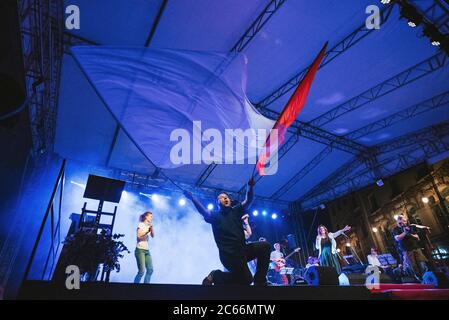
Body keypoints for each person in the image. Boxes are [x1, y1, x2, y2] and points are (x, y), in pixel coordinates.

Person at [184, 178, 271, 285]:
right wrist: (192, 198)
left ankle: (260, 280)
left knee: (265, 246)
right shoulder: (215, 216)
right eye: (222, 198)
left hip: (243, 251)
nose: (225, 199)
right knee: (247, 280)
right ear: (217, 202)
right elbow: (204, 212)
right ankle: (216, 275)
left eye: (227, 198)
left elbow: (248, 200)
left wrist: (250, 187)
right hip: (230, 256)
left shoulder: (236, 210)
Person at [392, 215, 430, 279]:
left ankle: (425, 279)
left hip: (416, 248)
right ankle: (419, 280)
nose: (403, 223)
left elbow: (417, 238)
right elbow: (397, 238)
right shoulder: (396, 229)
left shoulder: (410, 226)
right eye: (401, 222)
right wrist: (405, 232)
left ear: (406, 221)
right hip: (407, 250)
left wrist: (410, 234)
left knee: (422, 264)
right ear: (398, 222)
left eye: (404, 221)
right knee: (413, 267)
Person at [134, 211, 154, 284]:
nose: (152, 218)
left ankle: (145, 287)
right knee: (141, 271)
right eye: (151, 216)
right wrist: (147, 231)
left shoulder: (148, 225)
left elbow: (152, 236)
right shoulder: (141, 224)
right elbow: (139, 237)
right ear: (146, 216)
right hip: (140, 250)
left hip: (146, 250)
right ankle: (134, 288)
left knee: (150, 269)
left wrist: (151, 229)